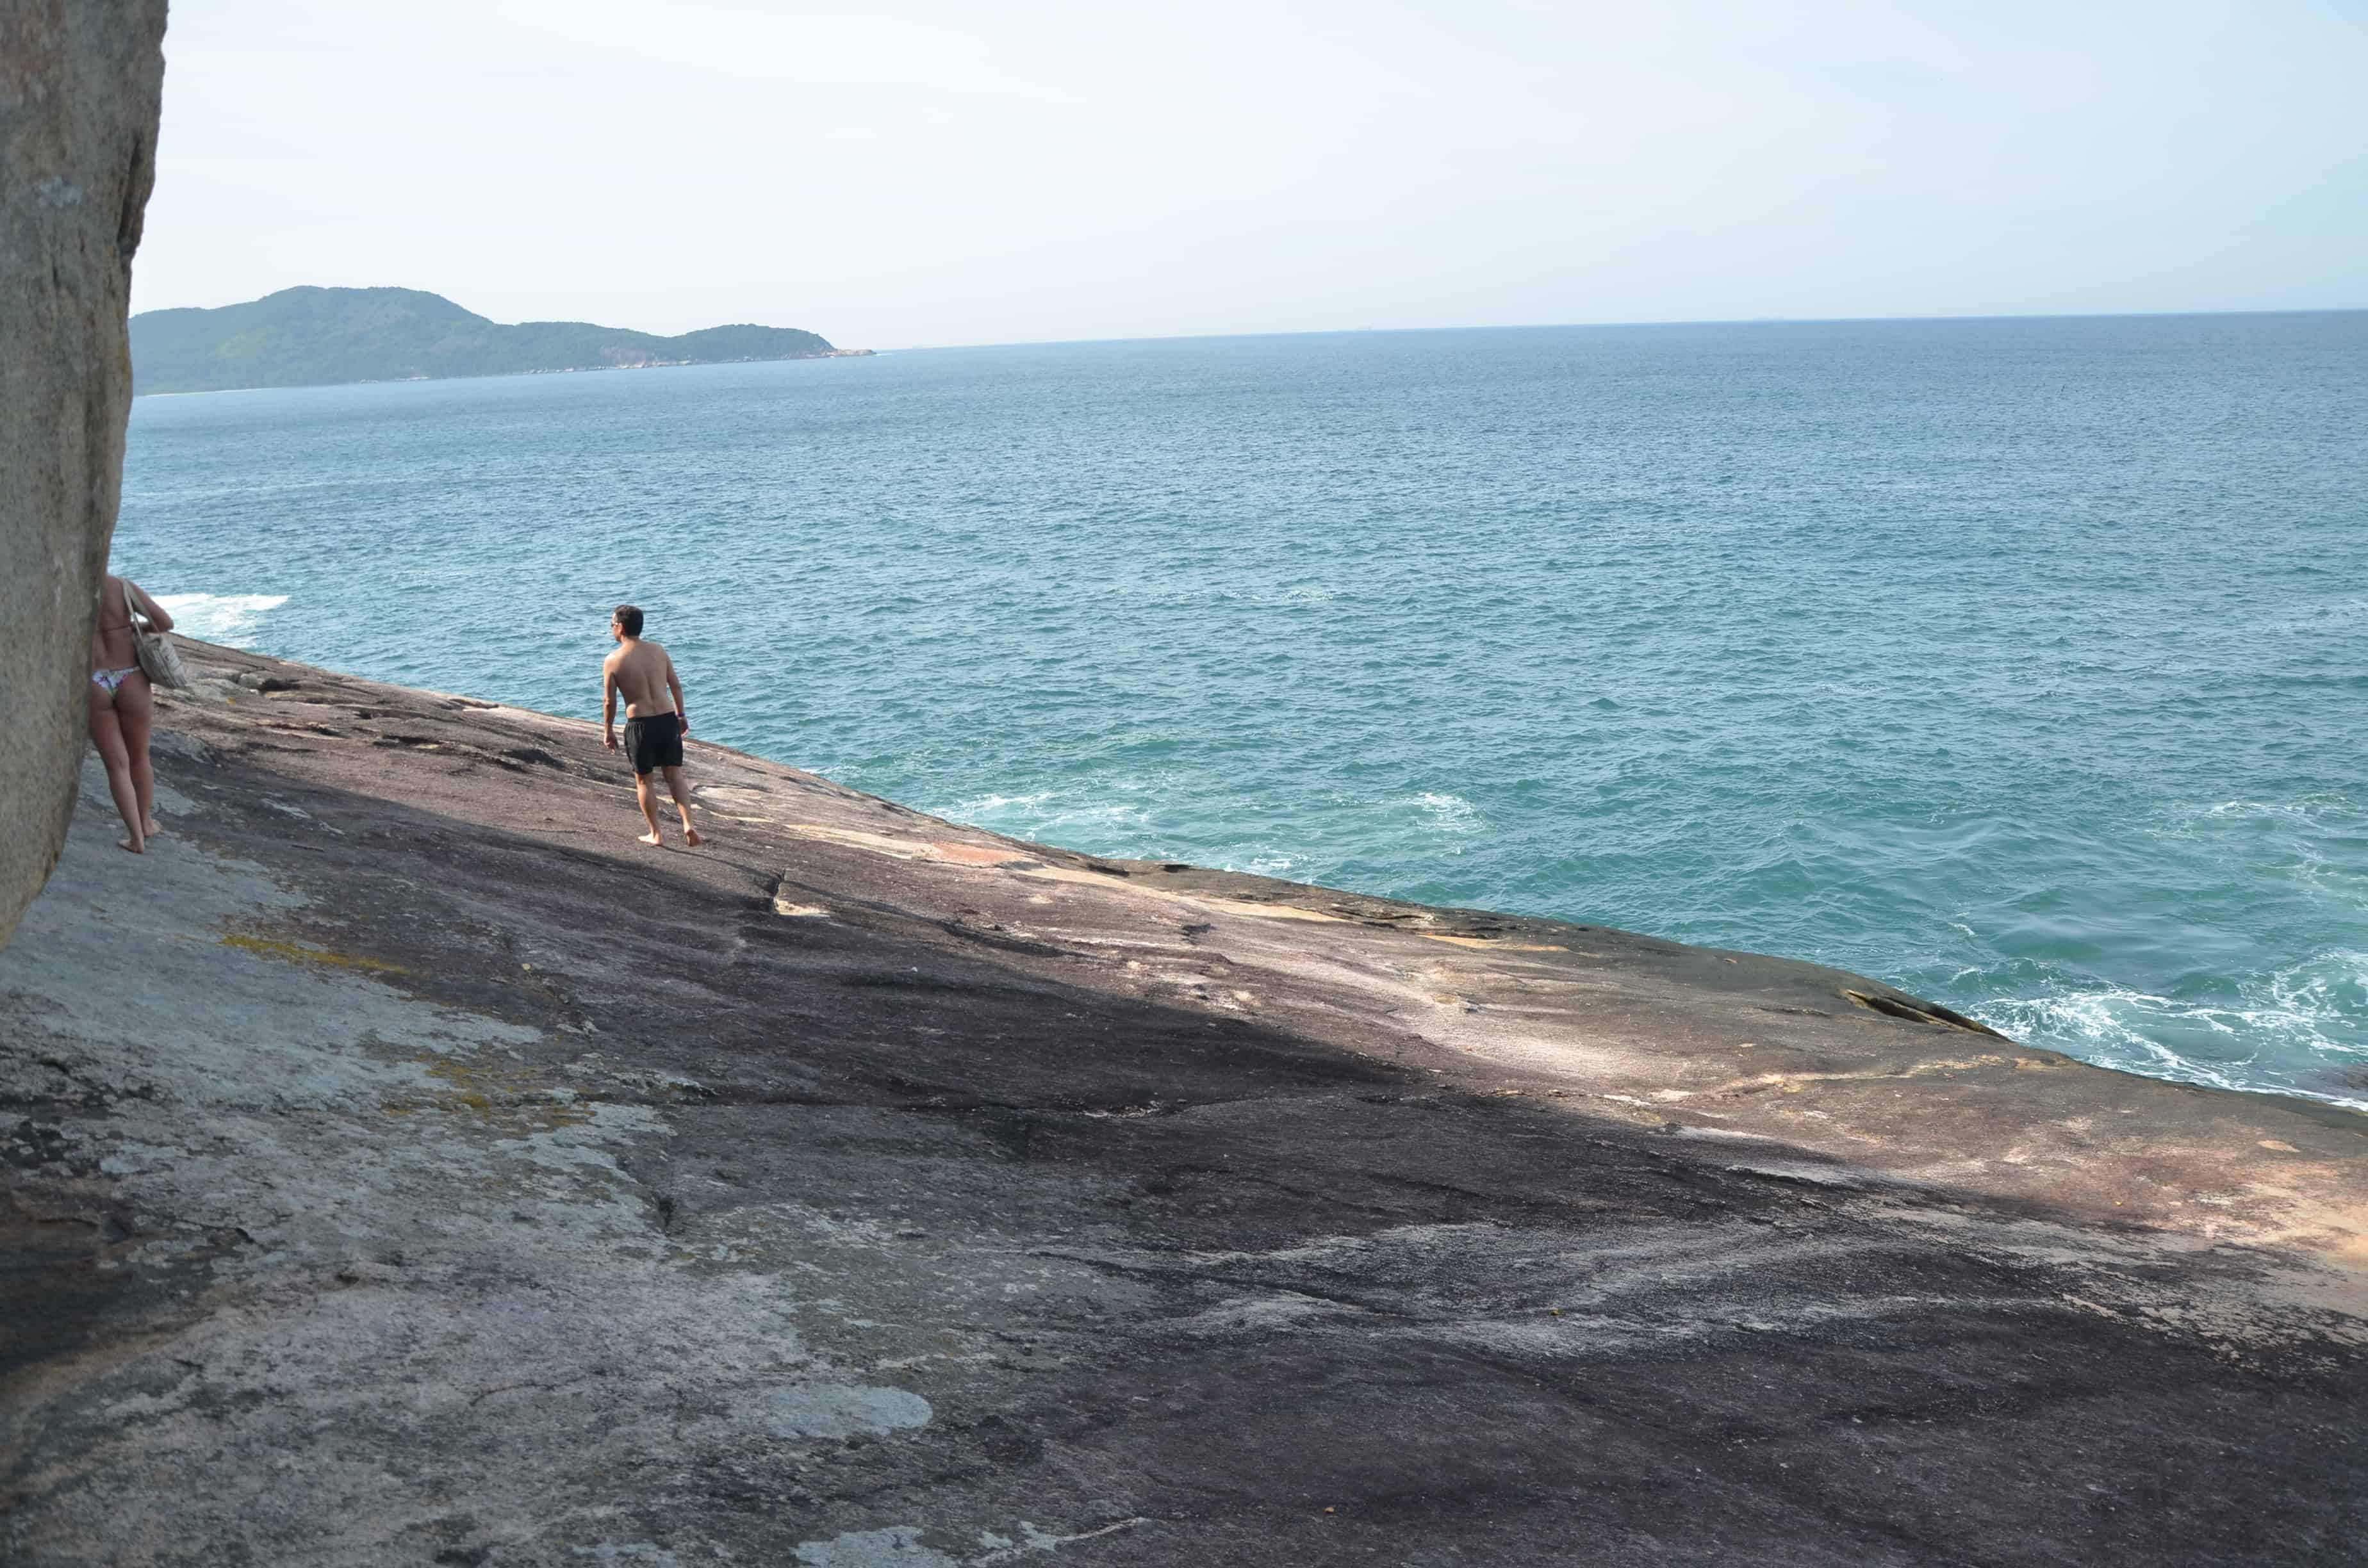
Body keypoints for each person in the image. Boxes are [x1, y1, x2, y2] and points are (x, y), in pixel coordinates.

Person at [601, 603, 703, 848]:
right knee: (674, 774)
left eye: (612, 625)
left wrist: (608, 731)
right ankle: (688, 823)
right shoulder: (658, 650)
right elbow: (675, 685)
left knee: (644, 780)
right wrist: (681, 715)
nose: (611, 630)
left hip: (640, 724)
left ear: (621, 628)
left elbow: (609, 701)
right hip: (668, 720)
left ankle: (656, 834)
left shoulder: (613, 660)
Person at [89, 572, 170, 853]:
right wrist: (132, 630)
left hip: (93, 681)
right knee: (139, 756)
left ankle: (134, 838)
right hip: (130, 677)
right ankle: (146, 824)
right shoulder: (120, 587)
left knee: (116, 765)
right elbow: (165, 623)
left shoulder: (68, 592)